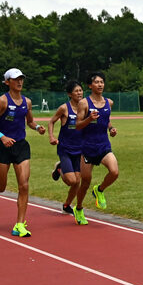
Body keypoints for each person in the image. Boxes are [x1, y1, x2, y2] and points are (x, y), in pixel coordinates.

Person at [0, 68, 46, 237]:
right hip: (3, 146)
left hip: (21, 146)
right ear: (7, 82)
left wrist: (38, 127)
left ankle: (19, 224)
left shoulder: (27, 102)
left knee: (24, 185)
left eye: (21, 79)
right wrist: (2, 137)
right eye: (15, 79)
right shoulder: (2, 101)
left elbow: (30, 122)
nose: (19, 82)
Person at [73, 72, 118, 225]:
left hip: (104, 145)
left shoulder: (109, 103)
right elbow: (77, 126)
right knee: (85, 181)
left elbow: (107, 120)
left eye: (102, 82)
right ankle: (78, 208)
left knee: (114, 171)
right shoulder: (84, 104)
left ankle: (99, 190)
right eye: (96, 82)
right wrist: (89, 119)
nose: (100, 84)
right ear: (90, 86)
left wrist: (111, 129)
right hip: (87, 148)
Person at [48, 80, 84, 215]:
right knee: (71, 180)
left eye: (80, 90)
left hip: (80, 149)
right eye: (76, 91)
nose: (79, 93)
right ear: (70, 94)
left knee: (77, 182)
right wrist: (51, 137)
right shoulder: (64, 108)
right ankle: (59, 168)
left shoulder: (85, 107)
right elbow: (51, 122)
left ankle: (67, 205)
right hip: (65, 148)